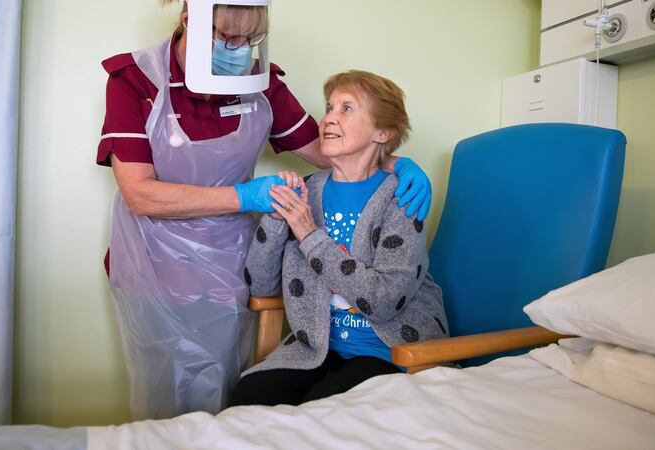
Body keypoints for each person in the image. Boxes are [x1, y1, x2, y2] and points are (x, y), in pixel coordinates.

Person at [97, 0, 433, 419]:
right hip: (153, 259)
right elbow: (140, 194)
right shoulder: (135, 80)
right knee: (164, 397)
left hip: (228, 263)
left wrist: (396, 162)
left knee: (224, 393)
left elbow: (331, 150)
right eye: (226, 37)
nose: (239, 49)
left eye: (248, 39)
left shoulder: (259, 81)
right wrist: (251, 198)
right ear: (190, 22)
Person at [228, 70, 447, 407]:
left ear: (382, 132)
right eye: (329, 108)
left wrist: (308, 233)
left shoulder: (402, 197)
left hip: (392, 351)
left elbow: (384, 300)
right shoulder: (308, 191)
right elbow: (259, 286)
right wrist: (275, 216)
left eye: (346, 109)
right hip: (318, 347)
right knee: (249, 395)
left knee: (322, 409)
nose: (328, 118)